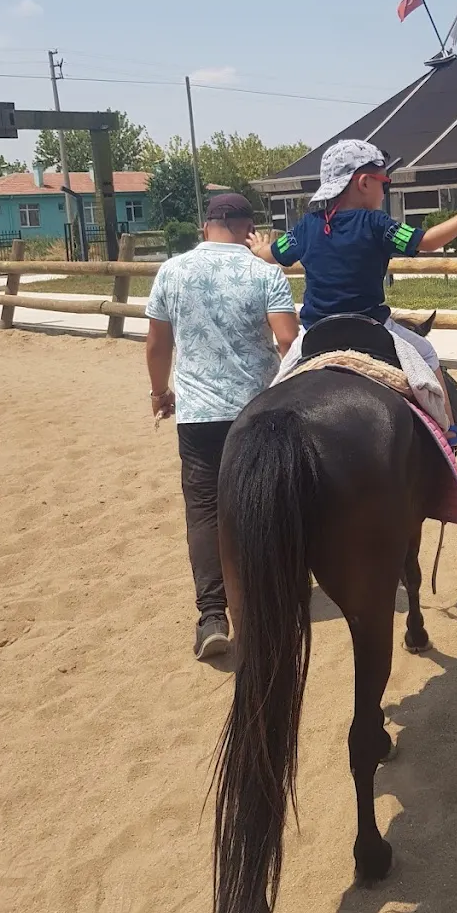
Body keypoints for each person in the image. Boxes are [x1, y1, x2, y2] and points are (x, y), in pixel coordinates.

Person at [247, 139, 457, 442]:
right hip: (370, 326)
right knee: (427, 354)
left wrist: (259, 249)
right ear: (364, 182)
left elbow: (274, 253)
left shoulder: (305, 227)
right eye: (385, 182)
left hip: (316, 331)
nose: (384, 189)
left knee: (279, 384)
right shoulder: (377, 223)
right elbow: (428, 240)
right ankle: (449, 429)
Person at [145, 192, 298, 661]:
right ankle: (272, 596)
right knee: (269, 502)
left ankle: (212, 616)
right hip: (258, 410)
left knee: (206, 512)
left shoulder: (172, 271)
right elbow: (289, 338)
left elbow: (157, 344)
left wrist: (160, 391)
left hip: (199, 415)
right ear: (249, 227)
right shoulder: (264, 271)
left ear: (205, 225)